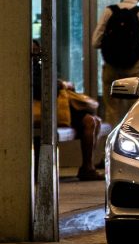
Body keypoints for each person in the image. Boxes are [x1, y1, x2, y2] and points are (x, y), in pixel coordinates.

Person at [32, 40, 103, 180]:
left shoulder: (38, 65)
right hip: (48, 108)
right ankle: (87, 168)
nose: (36, 52)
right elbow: (39, 85)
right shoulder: (24, 67)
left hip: (55, 106)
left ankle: (88, 166)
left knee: (93, 121)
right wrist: (61, 84)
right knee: (90, 122)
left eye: (37, 50)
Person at [92, 0, 139, 125]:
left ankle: (111, 142)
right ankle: (129, 141)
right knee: (133, 109)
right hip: (133, 68)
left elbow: (95, 42)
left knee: (111, 109)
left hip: (111, 67)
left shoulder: (109, 11)